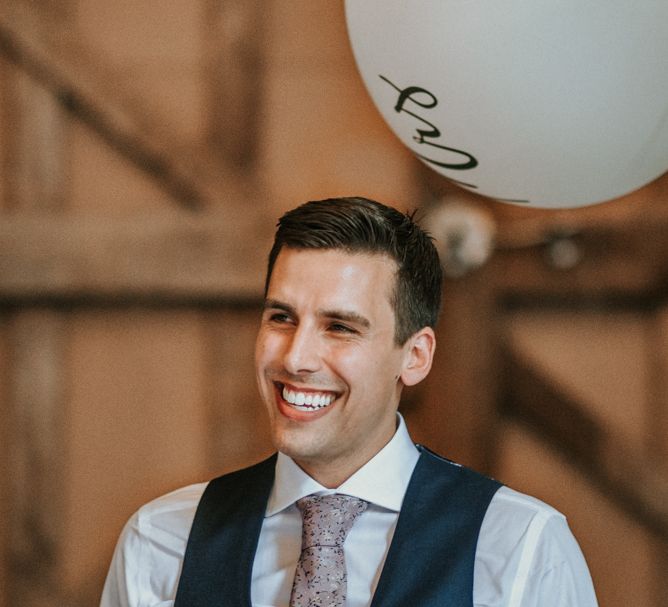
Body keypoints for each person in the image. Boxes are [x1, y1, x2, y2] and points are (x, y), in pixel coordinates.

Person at [100, 197, 598, 606]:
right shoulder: (161, 541)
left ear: (416, 355)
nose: (296, 358)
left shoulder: (521, 546)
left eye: (340, 327)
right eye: (281, 318)